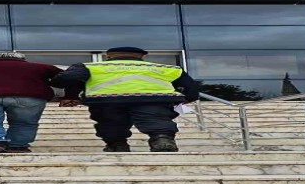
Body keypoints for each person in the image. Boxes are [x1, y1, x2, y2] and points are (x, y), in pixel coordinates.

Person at [52, 46, 200, 153]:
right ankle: (162, 140)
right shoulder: (166, 68)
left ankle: (117, 145)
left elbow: (69, 79)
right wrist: (186, 99)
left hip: (107, 101)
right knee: (156, 120)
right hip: (153, 100)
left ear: (108, 56)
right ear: (142, 57)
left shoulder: (90, 67)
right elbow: (191, 87)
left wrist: (65, 92)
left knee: (111, 123)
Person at [0, 52, 74, 153]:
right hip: (29, 97)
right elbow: (68, 78)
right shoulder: (42, 67)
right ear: (23, 59)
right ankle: (18, 145)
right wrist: (69, 95)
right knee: (24, 123)